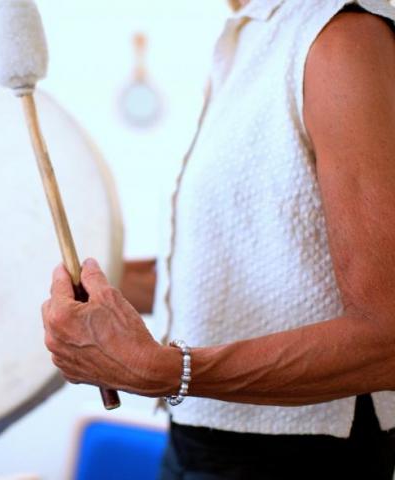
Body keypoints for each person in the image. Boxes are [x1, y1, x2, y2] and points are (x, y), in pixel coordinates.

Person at [41, 0, 395, 478]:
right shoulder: (246, 39)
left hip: (297, 459)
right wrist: (86, 296)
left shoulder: (340, 39)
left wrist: (167, 370)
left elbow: (387, 335)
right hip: (192, 442)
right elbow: (239, 261)